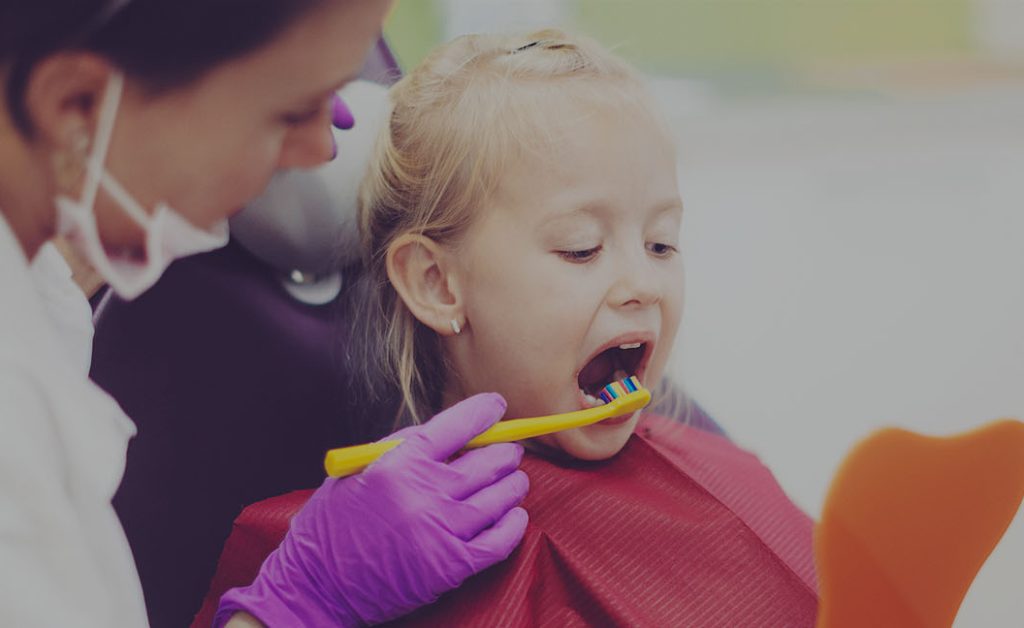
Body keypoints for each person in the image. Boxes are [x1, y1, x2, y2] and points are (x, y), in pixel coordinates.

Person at [196, 29, 819, 626]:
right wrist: (308, 606)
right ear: (437, 284)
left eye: (661, 244)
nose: (645, 284)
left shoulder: (720, 466)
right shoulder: (334, 566)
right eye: (581, 249)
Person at [0, 1, 530, 626]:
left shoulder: (36, 299)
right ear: (76, 107)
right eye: (291, 112)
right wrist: (299, 603)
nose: (326, 151)